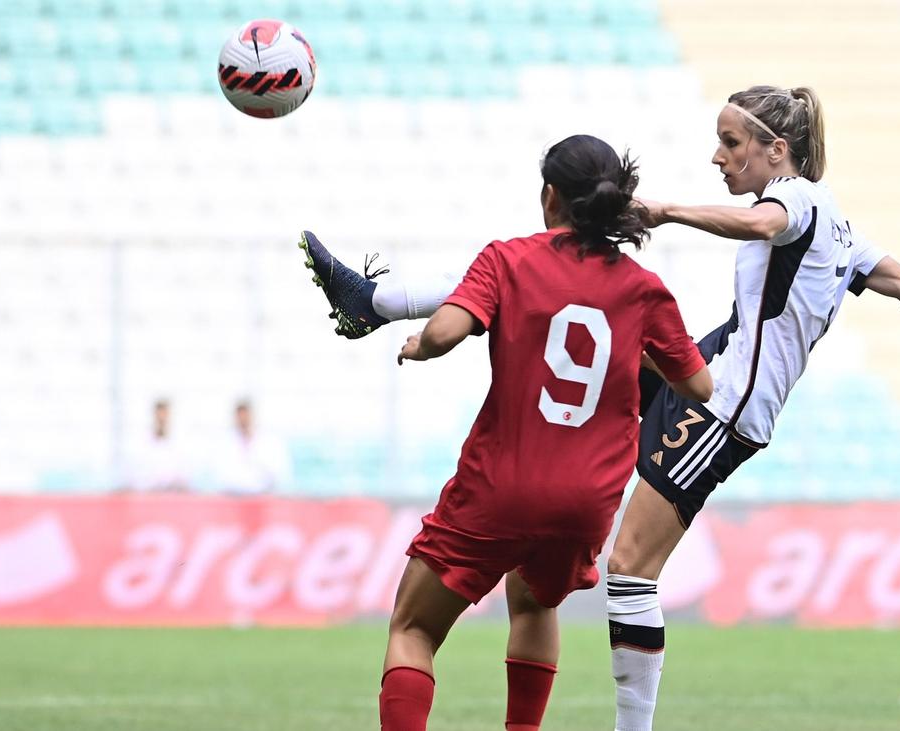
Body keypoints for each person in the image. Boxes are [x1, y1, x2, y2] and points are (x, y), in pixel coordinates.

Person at [298, 86, 900, 731]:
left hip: (724, 405)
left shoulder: (797, 197)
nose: (717, 157)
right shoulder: (840, 229)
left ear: (779, 150)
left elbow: (766, 224)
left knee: (632, 567)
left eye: (731, 143)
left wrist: (669, 210)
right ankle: (379, 301)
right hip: (711, 368)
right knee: (552, 270)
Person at [299, 134, 712, 731]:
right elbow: (698, 386)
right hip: (586, 501)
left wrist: (419, 345)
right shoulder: (643, 288)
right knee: (535, 601)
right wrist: (635, 353)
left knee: (413, 628)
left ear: (550, 197)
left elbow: (445, 332)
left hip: (503, 484)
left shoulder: (508, 259)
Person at [212, 399, 292, 494]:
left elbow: (278, 473)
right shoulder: (224, 442)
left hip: (262, 497)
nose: (243, 420)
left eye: (246, 416)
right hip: (233, 497)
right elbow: (221, 475)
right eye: (240, 416)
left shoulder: (269, 441)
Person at [118, 398, 191, 493]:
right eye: (159, 414)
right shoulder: (141, 442)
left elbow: (183, 476)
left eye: (165, 415)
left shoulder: (180, 443)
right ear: (154, 415)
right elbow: (135, 476)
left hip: (172, 496)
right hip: (149, 496)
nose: (162, 419)